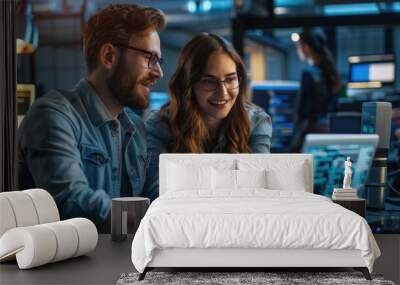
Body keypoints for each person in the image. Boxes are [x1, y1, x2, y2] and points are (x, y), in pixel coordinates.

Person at [17, 4, 165, 229]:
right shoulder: (53, 116)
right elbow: (72, 202)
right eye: (150, 59)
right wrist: (155, 222)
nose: (158, 72)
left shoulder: (136, 130)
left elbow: (157, 196)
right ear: (109, 56)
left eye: (159, 61)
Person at [145, 33, 272, 196]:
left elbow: (258, 191)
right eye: (209, 81)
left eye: (230, 79)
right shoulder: (160, 125)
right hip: (181, 219)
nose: (223, 92)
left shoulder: (256, 121)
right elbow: (156, 193)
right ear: (188, 85)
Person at [290, 28, 341, 152]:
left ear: (306, 48)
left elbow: (303, 112)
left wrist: (293, 142)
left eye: (298, 47)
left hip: (309, 134)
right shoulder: (330, 73)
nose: (298, 51)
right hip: (325, 132)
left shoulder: (308, 74)